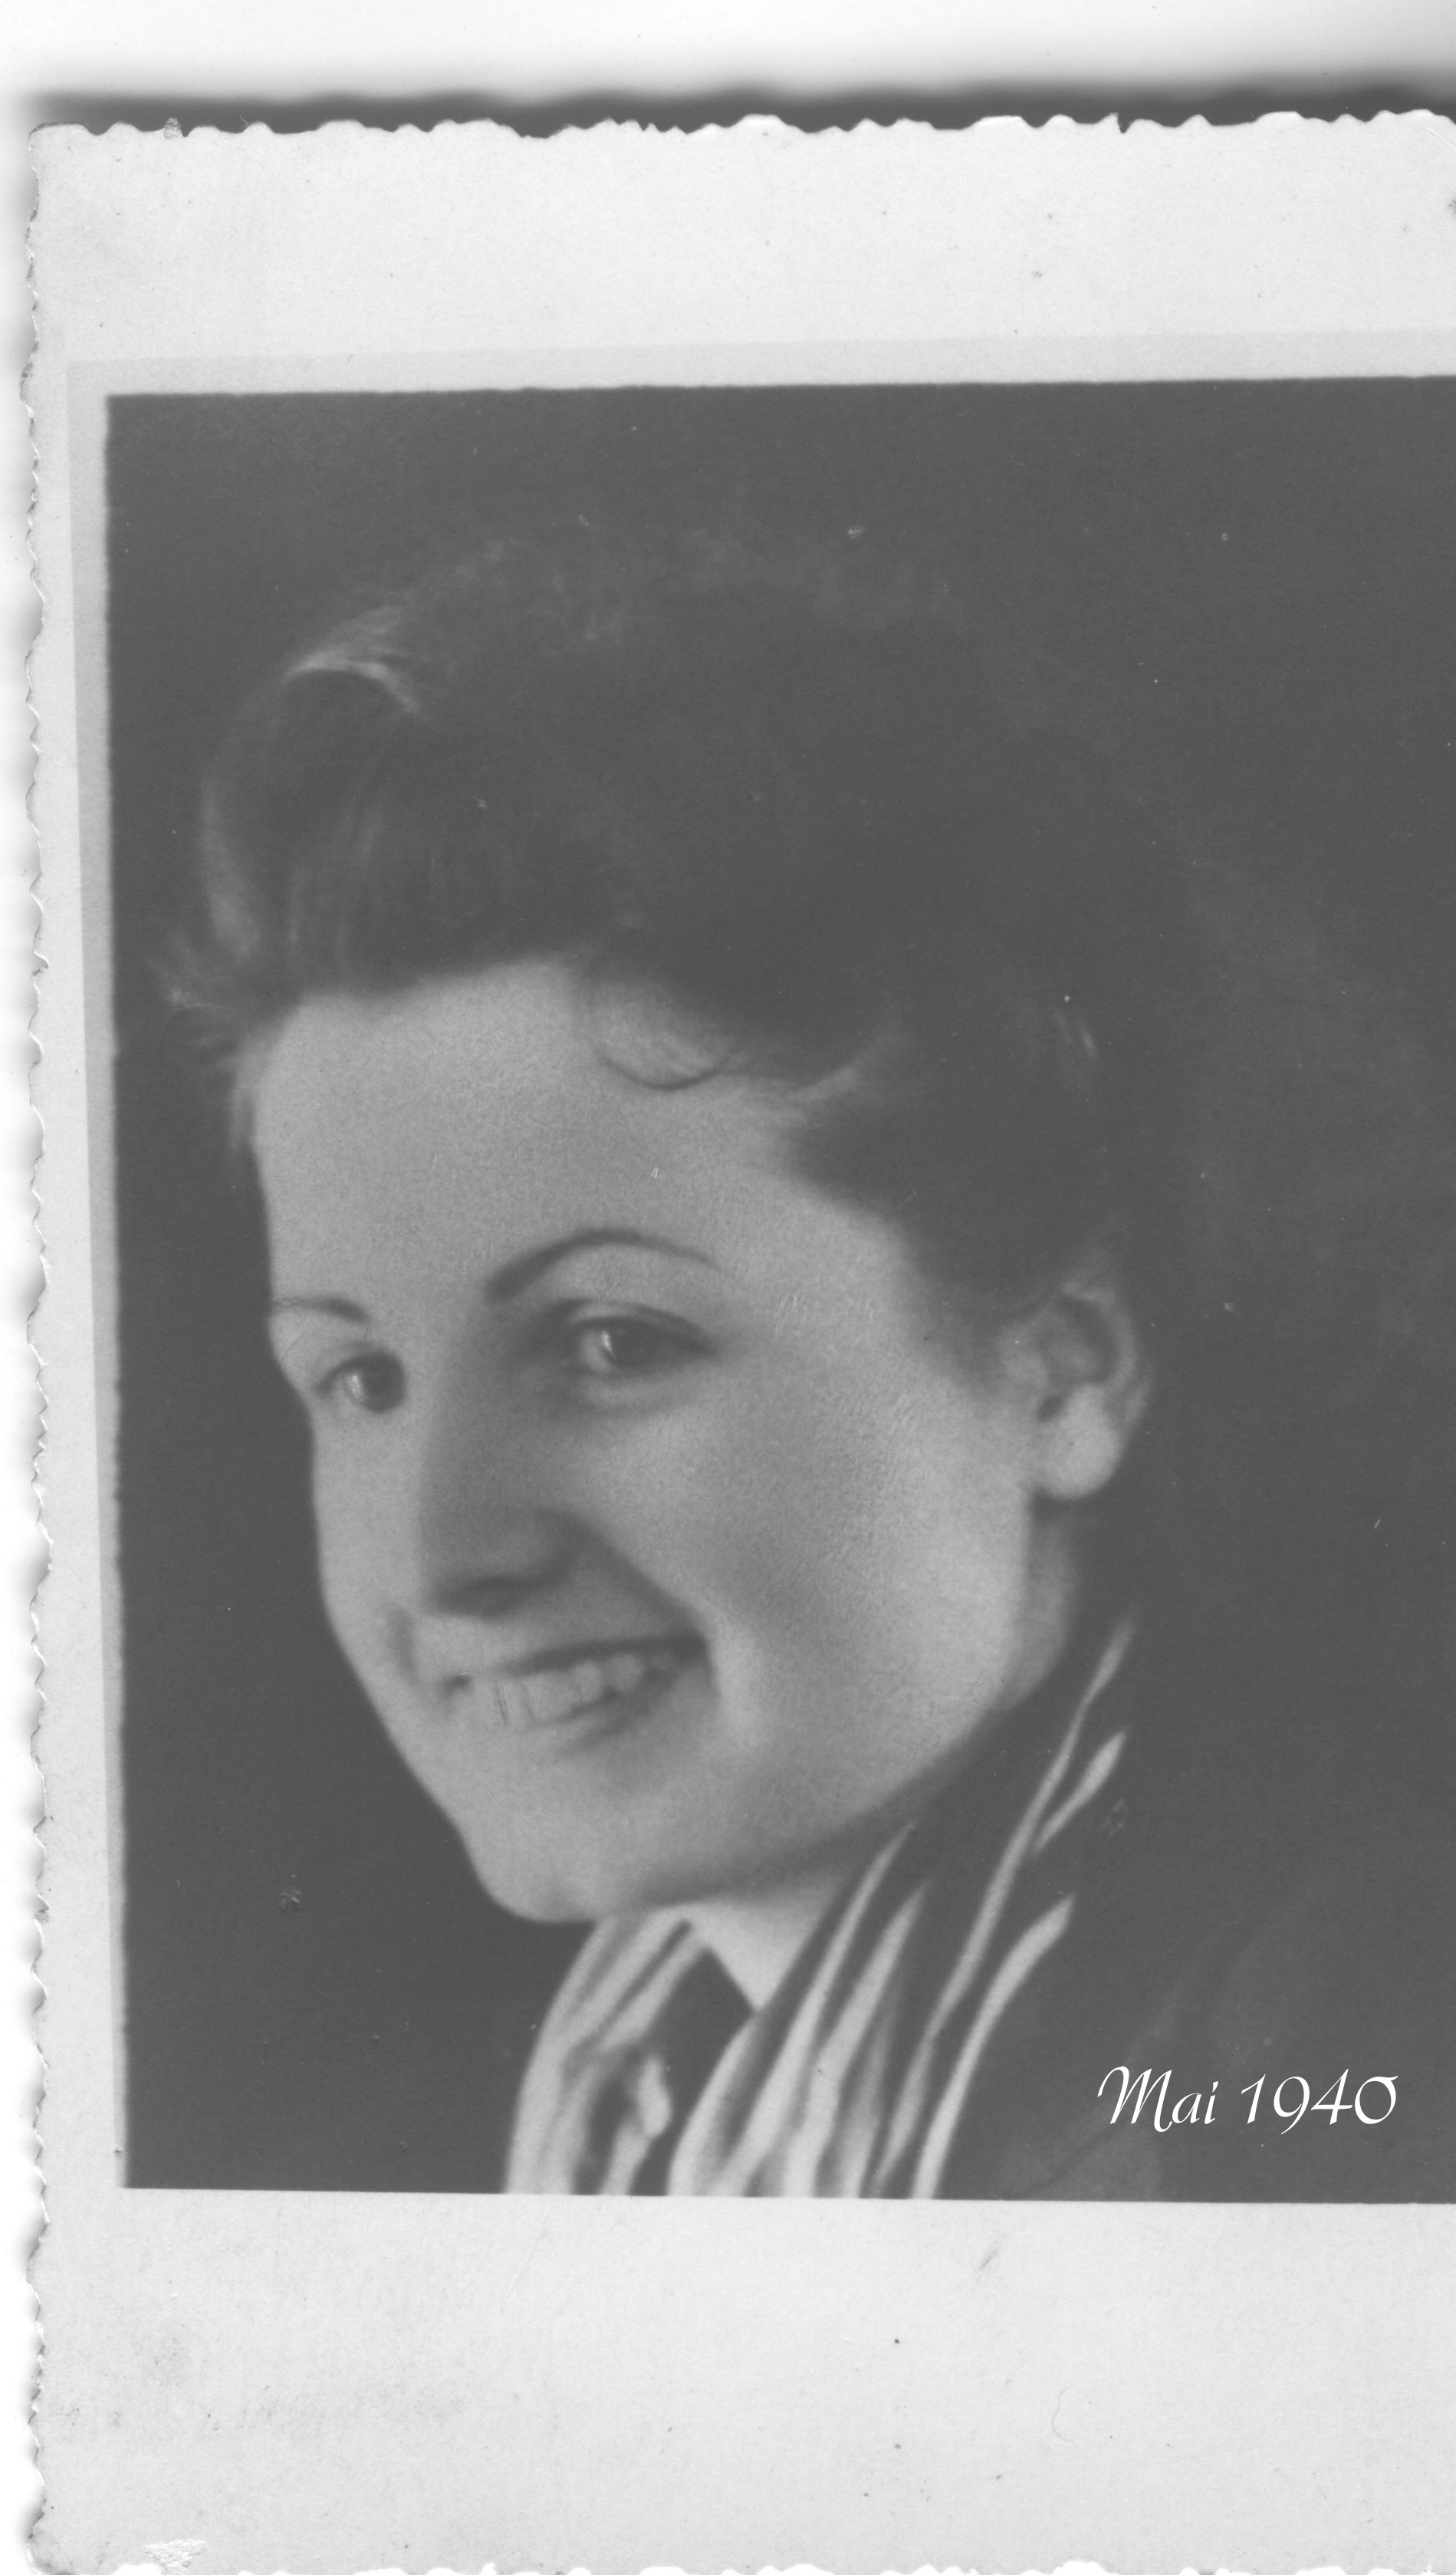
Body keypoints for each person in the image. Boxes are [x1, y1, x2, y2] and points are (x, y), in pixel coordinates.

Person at [171, 528, 1456, 2198]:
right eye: (359, 1377)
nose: (441, 1551)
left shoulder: (1361, 2081)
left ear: (1063, 1368)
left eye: (612, 1340)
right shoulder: (571, 2116)